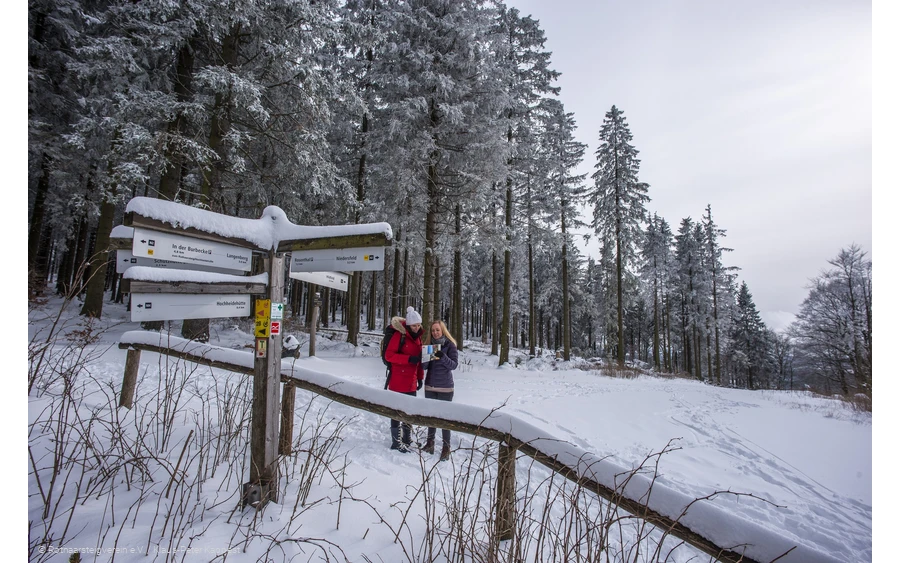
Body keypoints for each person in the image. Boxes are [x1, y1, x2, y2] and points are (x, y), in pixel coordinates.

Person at [383, 306, 425, 453]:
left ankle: (407, 440)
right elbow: (389, 356)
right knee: (396, 412)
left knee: (409, 412)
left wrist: (420, 378)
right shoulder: (399, 335)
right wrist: (408, 359)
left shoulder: (418, 337)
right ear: (408, 325)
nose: (417, 327)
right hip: (398, 380)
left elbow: (419, 360)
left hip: (411, 381)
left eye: (419, 325)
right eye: (414, 325)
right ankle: (396, 442)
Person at [422, 319, 459, 461]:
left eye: (437, 330)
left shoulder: (450, 346)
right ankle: (430, 443)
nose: (435, 332)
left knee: (444, 418)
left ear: (443, 330)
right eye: (433, 330)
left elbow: (454, 365)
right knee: (431, 416)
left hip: (445, 387)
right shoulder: (429, 346)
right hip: (430, 386)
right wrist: (425, 358)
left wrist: (443, 357)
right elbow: (424, 367)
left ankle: (446, 447)